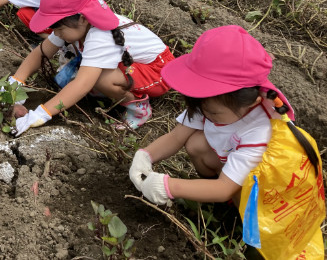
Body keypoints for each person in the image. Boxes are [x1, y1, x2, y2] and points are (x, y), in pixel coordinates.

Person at [129, 25, 303, 203]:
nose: (205, 114)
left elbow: (224, 189)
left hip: (266, 195)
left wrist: (169, 186)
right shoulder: (212, 99)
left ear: (253, 102)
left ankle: (234, 218)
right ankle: (210, 195)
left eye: (213, 113)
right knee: (197, 143)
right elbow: (177, 137)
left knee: (239, 193)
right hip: (231, 169)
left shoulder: (262, 130)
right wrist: (145, 155)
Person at [10, 0, 173, 135]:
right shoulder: (76, 24)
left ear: (81, 18)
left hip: (159, 70)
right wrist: (16, 82)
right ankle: (110, 89)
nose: (56, 33)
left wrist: (40, 114)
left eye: (59, 29)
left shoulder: (100, 36)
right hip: (130, 63)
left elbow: (82, 85)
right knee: (81, 77)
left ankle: (138, 108)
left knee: (102, 79)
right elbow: (42, 51)